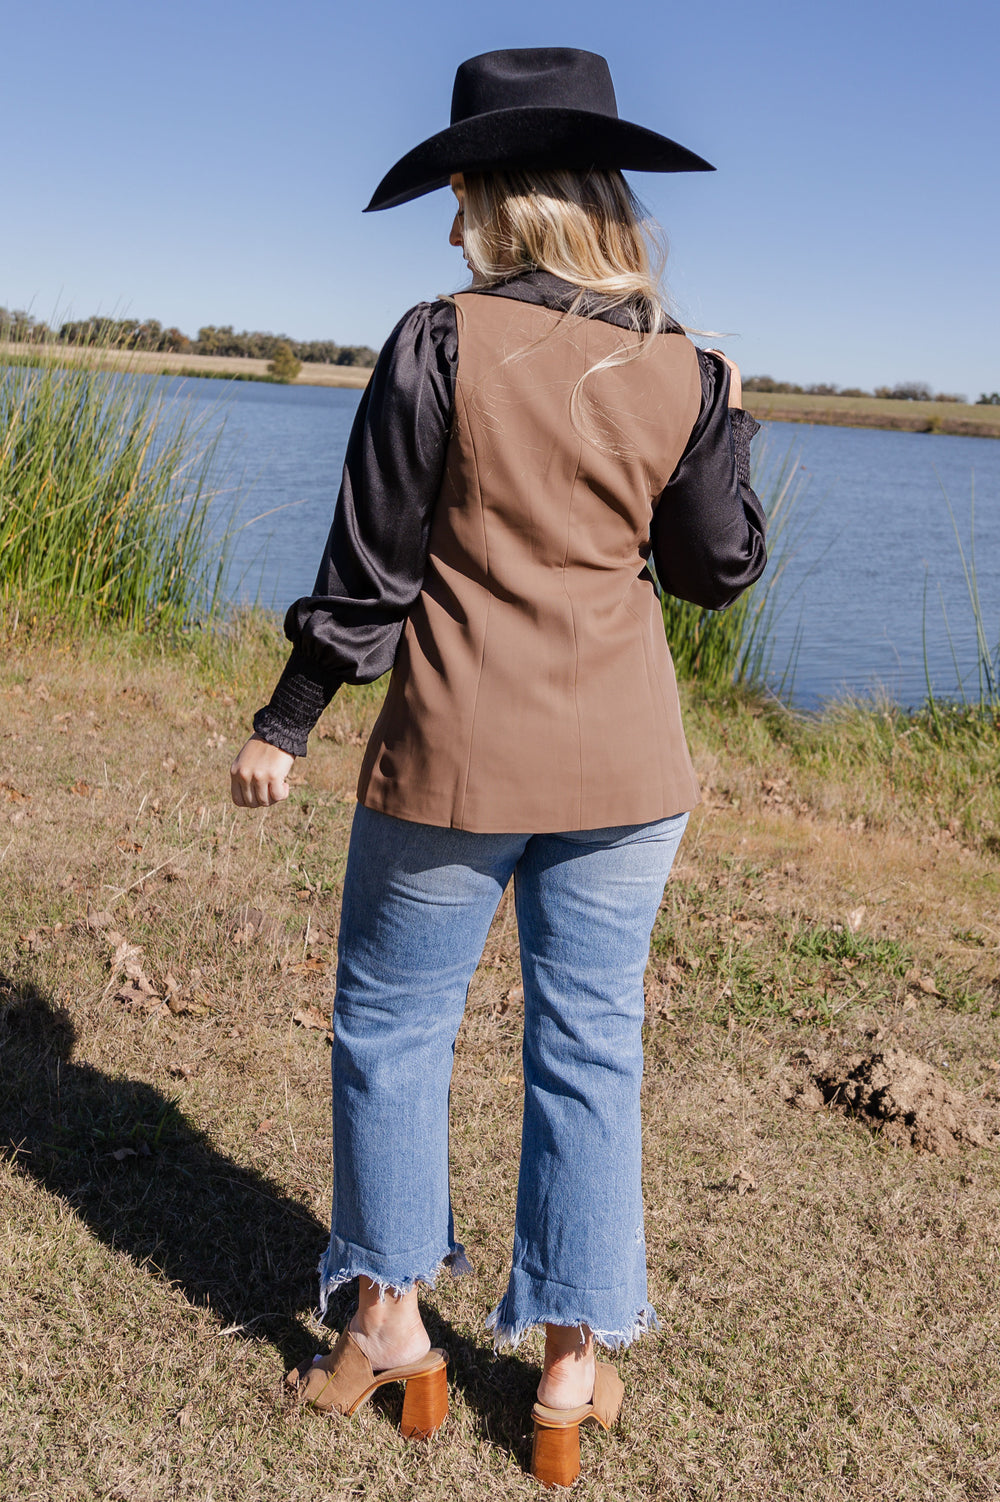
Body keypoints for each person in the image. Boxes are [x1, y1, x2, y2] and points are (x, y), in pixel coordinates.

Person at [230, 47, 766, 1488]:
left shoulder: (436, 342)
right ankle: (571, 1368)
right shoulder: (687, 368)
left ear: (491, 194)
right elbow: (718, 572)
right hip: (626, 770)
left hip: (455, 756)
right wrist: (727, 419)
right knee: (592, 1050)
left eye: (460, 190)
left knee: (392, 1030)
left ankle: (391, 1321)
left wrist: (285, 720)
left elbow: (369, 572)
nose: (450, 219)